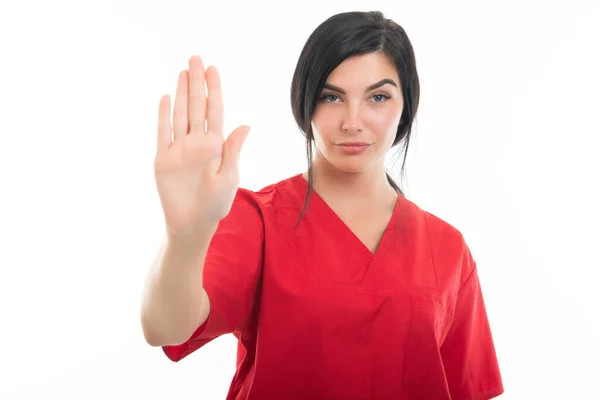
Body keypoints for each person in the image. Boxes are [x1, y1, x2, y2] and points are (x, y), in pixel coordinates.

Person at [140, 10, 504, 400]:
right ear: (305, 103)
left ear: (406, 106)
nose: (352, 121)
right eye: (331, 97)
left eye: (378, 97)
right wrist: (184, 236)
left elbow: (468, 389)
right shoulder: (258, 220)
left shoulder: (447, 248)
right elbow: (166, 328)